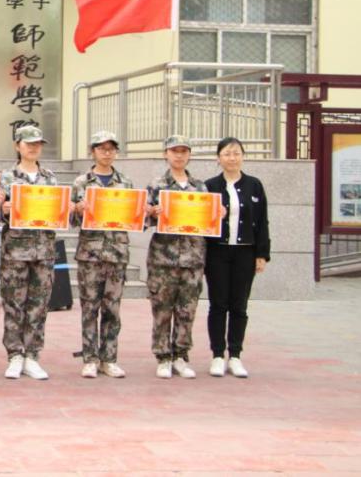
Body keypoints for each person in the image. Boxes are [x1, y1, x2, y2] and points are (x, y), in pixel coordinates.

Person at [204, 137, 270, 378]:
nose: (232, 158)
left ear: (243, 156)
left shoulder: (254, 185)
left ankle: (235, 355)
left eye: (236, 153)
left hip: (245, 252)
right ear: (218, 158)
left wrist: (262, 254)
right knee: (218, 304)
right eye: (227, 154)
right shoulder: (209, 186)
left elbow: (262, 221)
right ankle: (217, 355)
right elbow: (202, 221)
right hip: (217, 252)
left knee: (239, 305)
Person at [70, 130, 133, 379]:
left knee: (112, 309)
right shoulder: (81, 183)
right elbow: (70, 220)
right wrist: (77, 209)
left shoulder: (125, 183)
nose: (107, 153)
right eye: (101, 148)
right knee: (89, 308)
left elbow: (134, 218)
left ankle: (109, 358)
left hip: (117, 253)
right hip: (90, 253)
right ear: (92, 151)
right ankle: (90, 358)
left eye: (111, 148)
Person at [0, 125, 59, 380]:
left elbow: (57, 212)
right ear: (17, 145)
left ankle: (32, 356)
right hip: (15, 250)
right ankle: (15, 355)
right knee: (14, 304)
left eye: (37, 144)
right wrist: (3, 208)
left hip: (43, 250)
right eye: (28, 143)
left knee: (38, 305)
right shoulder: (5, 178)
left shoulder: (50, 178)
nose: (33, 148)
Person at [144, 135, 207, 380]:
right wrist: (152, 213)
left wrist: (217, 213)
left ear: (189, 155)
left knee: (187, 310)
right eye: (174, 151)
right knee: (162, 310)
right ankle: (162, 357)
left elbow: (208, 222)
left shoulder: (200, 187)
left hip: (192, 258)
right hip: (163, 259)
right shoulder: (156, 185)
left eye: (183, 151)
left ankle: (181, 355)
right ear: (166, 154)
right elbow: (142, 221)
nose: (179, 155)